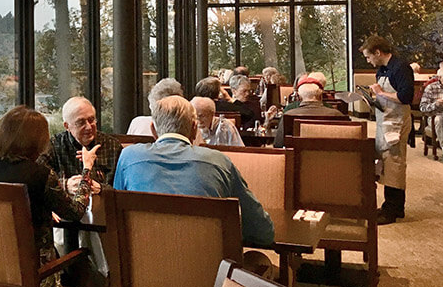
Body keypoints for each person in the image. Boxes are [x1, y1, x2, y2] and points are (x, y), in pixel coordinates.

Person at [113, 95, 274, 247]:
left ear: (153, 130)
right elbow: (263, 232)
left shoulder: (129, 157)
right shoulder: (218, 162)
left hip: (141, 271)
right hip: (211, 273)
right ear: (194, 128)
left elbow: (115, 218)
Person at [0, 105, 101, 287]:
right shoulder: (39, 175)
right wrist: (87, 169)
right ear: (37, 140)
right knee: (87, 278)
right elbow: (75, 211)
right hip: (38, 282)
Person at [360, 35, 413, 225]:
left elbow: (406, 97)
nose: (368, 61)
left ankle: (393, 210)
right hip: (385, 120)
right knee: (386, 162)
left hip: (397, 122)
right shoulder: (382, 70)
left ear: (378, 52)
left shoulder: (400, 68)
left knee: (395, 164)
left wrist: (381, 93)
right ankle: (393, 207)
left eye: (368, 57)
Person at [42, 96, 121, 190]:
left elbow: (123, 190)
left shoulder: (113, 147)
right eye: (81, 122)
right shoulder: (54, 145)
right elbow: (39, 180)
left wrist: (101, 188)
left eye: (91, 120)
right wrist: (64, 185)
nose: (88, 127)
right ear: (67, 126)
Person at [273, 74, 345, 147]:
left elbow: (278, 144)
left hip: (297, 158)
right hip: (332, 157)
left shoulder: (288, 115)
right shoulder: (336, 115)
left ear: (299, 97)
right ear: (320, 96)